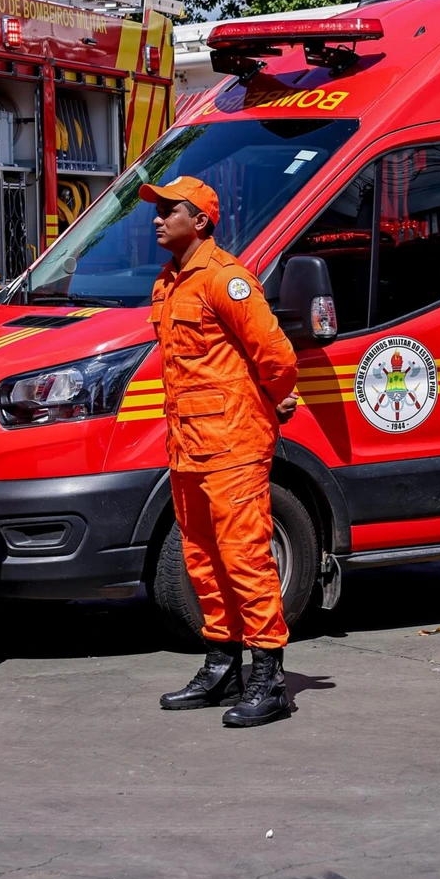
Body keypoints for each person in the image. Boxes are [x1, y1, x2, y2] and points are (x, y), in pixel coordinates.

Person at [143, 176, 301, 727]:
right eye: (157, 210)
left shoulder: (225, 281)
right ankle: (221, 663)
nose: (158, 218)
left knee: (245, 559)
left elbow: (276, 356)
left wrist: (276, 402)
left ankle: (268, 677)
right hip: (188, 444)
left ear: (201, 220)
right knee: (201, 560)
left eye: (169, 210)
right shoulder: (171, 283)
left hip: (232, 443)